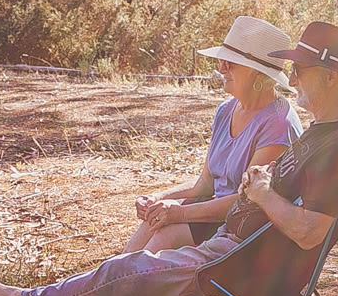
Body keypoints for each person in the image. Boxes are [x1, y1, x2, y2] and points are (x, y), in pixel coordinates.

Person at [0, 21, 338, 296]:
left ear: (330, 76)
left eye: (301, 69)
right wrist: (256, 190)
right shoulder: (327, 130)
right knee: (131, 291)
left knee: (124, 273)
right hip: (240, 246)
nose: (294, 77)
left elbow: (310, 231)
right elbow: (228, 187)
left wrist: (262, 194)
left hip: (245, 262)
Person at [122, 16, 301, 255]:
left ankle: (124, 288)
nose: (221, 68)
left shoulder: (278, 123)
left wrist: (178, 213)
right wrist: (159, 197)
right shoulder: (226, 110)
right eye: (223, 59)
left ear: (259, 74)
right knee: (152, 223)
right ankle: (103, 289)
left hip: (243, 229)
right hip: (213, 214)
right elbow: (206, 183)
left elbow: (248, 201)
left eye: (232, 62)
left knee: (164, 235)